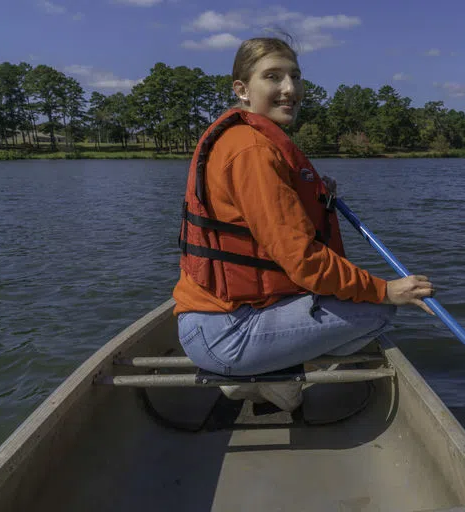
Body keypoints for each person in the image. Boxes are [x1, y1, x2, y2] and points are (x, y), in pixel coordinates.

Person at [173, 37, 434, 412]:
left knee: (354, 299)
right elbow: (304, 261)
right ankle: (262, 380)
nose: (290, 89)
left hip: (215, 320)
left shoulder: (242, 139)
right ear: (242, 89)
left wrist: (309, 194)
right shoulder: (252, 150)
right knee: (378, 311)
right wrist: (384, 290)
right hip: (225, 333)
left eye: (295, 76)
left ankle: (262, 372)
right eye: (273, 77)